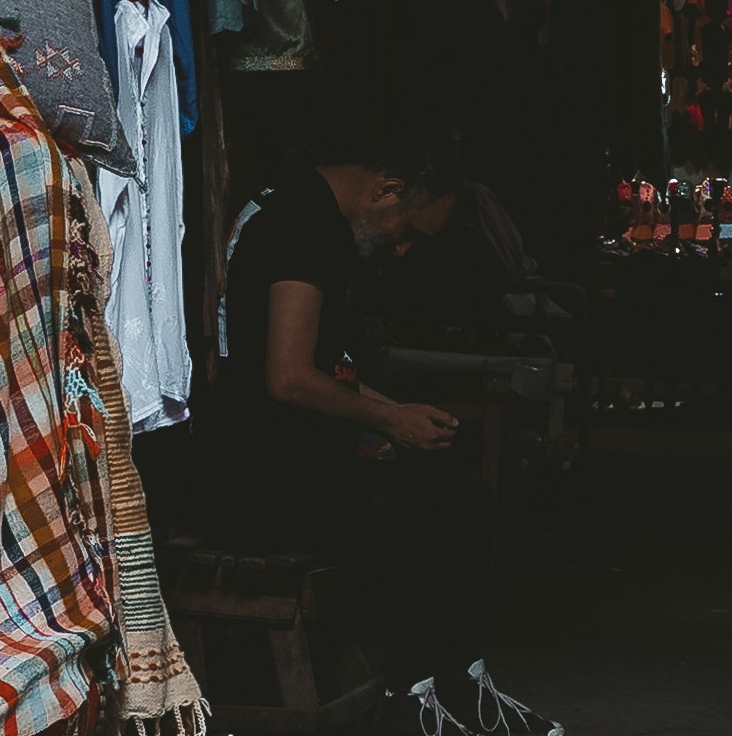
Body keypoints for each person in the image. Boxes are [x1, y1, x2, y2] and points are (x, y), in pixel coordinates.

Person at [171, 108, 496, 698]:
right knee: (448, 506)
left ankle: (456, 686)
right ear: (387, 190)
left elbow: (323, 371)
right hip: (249, 478)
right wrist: (390, 417)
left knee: (444, 487)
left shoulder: (295, 203)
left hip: (254, 462)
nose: (401, 251)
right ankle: (415, 695)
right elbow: (290, 378)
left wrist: (396, 416)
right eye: (408, 231)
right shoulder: (304, 228)